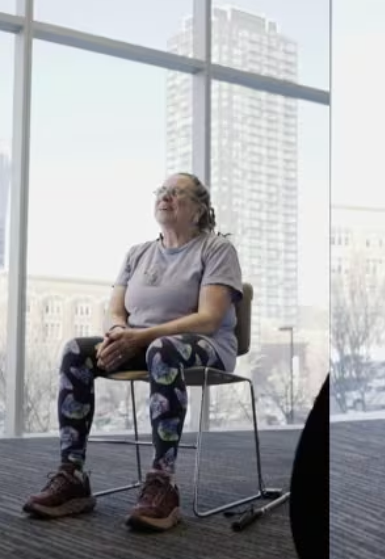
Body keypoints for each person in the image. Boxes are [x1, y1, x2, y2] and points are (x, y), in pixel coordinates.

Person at [22, 172, 243, 532]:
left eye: (176, 193)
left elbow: (208, 319)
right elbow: (116, 309)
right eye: (162, 191)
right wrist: (119, 333)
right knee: (77, 350)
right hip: (144, 344)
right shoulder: (137, 253)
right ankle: (72, 474)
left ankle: (162, 481)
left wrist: (139, 339)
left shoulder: (216, 249)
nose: (165, 196)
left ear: (199, 210)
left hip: (205, 348)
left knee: (163, 350)